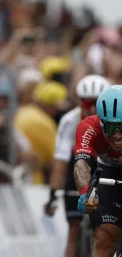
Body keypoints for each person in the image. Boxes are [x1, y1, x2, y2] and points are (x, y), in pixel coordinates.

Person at [44, 75, 111, 257]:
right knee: (73, 230)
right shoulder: (70, 120)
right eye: (86, 103)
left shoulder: (114, 118)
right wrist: (53, 193)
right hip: (79, 168)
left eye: (95, 103)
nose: (90, 108)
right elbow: (61, 159)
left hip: (105, 168)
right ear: (79, 101)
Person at [74, 85, 122, 257]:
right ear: (101, 122)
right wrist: (86, 193)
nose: (117, 136)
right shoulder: (88, 126)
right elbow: (82, 164)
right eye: (110, 128)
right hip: (107, 172)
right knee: (105, 239)